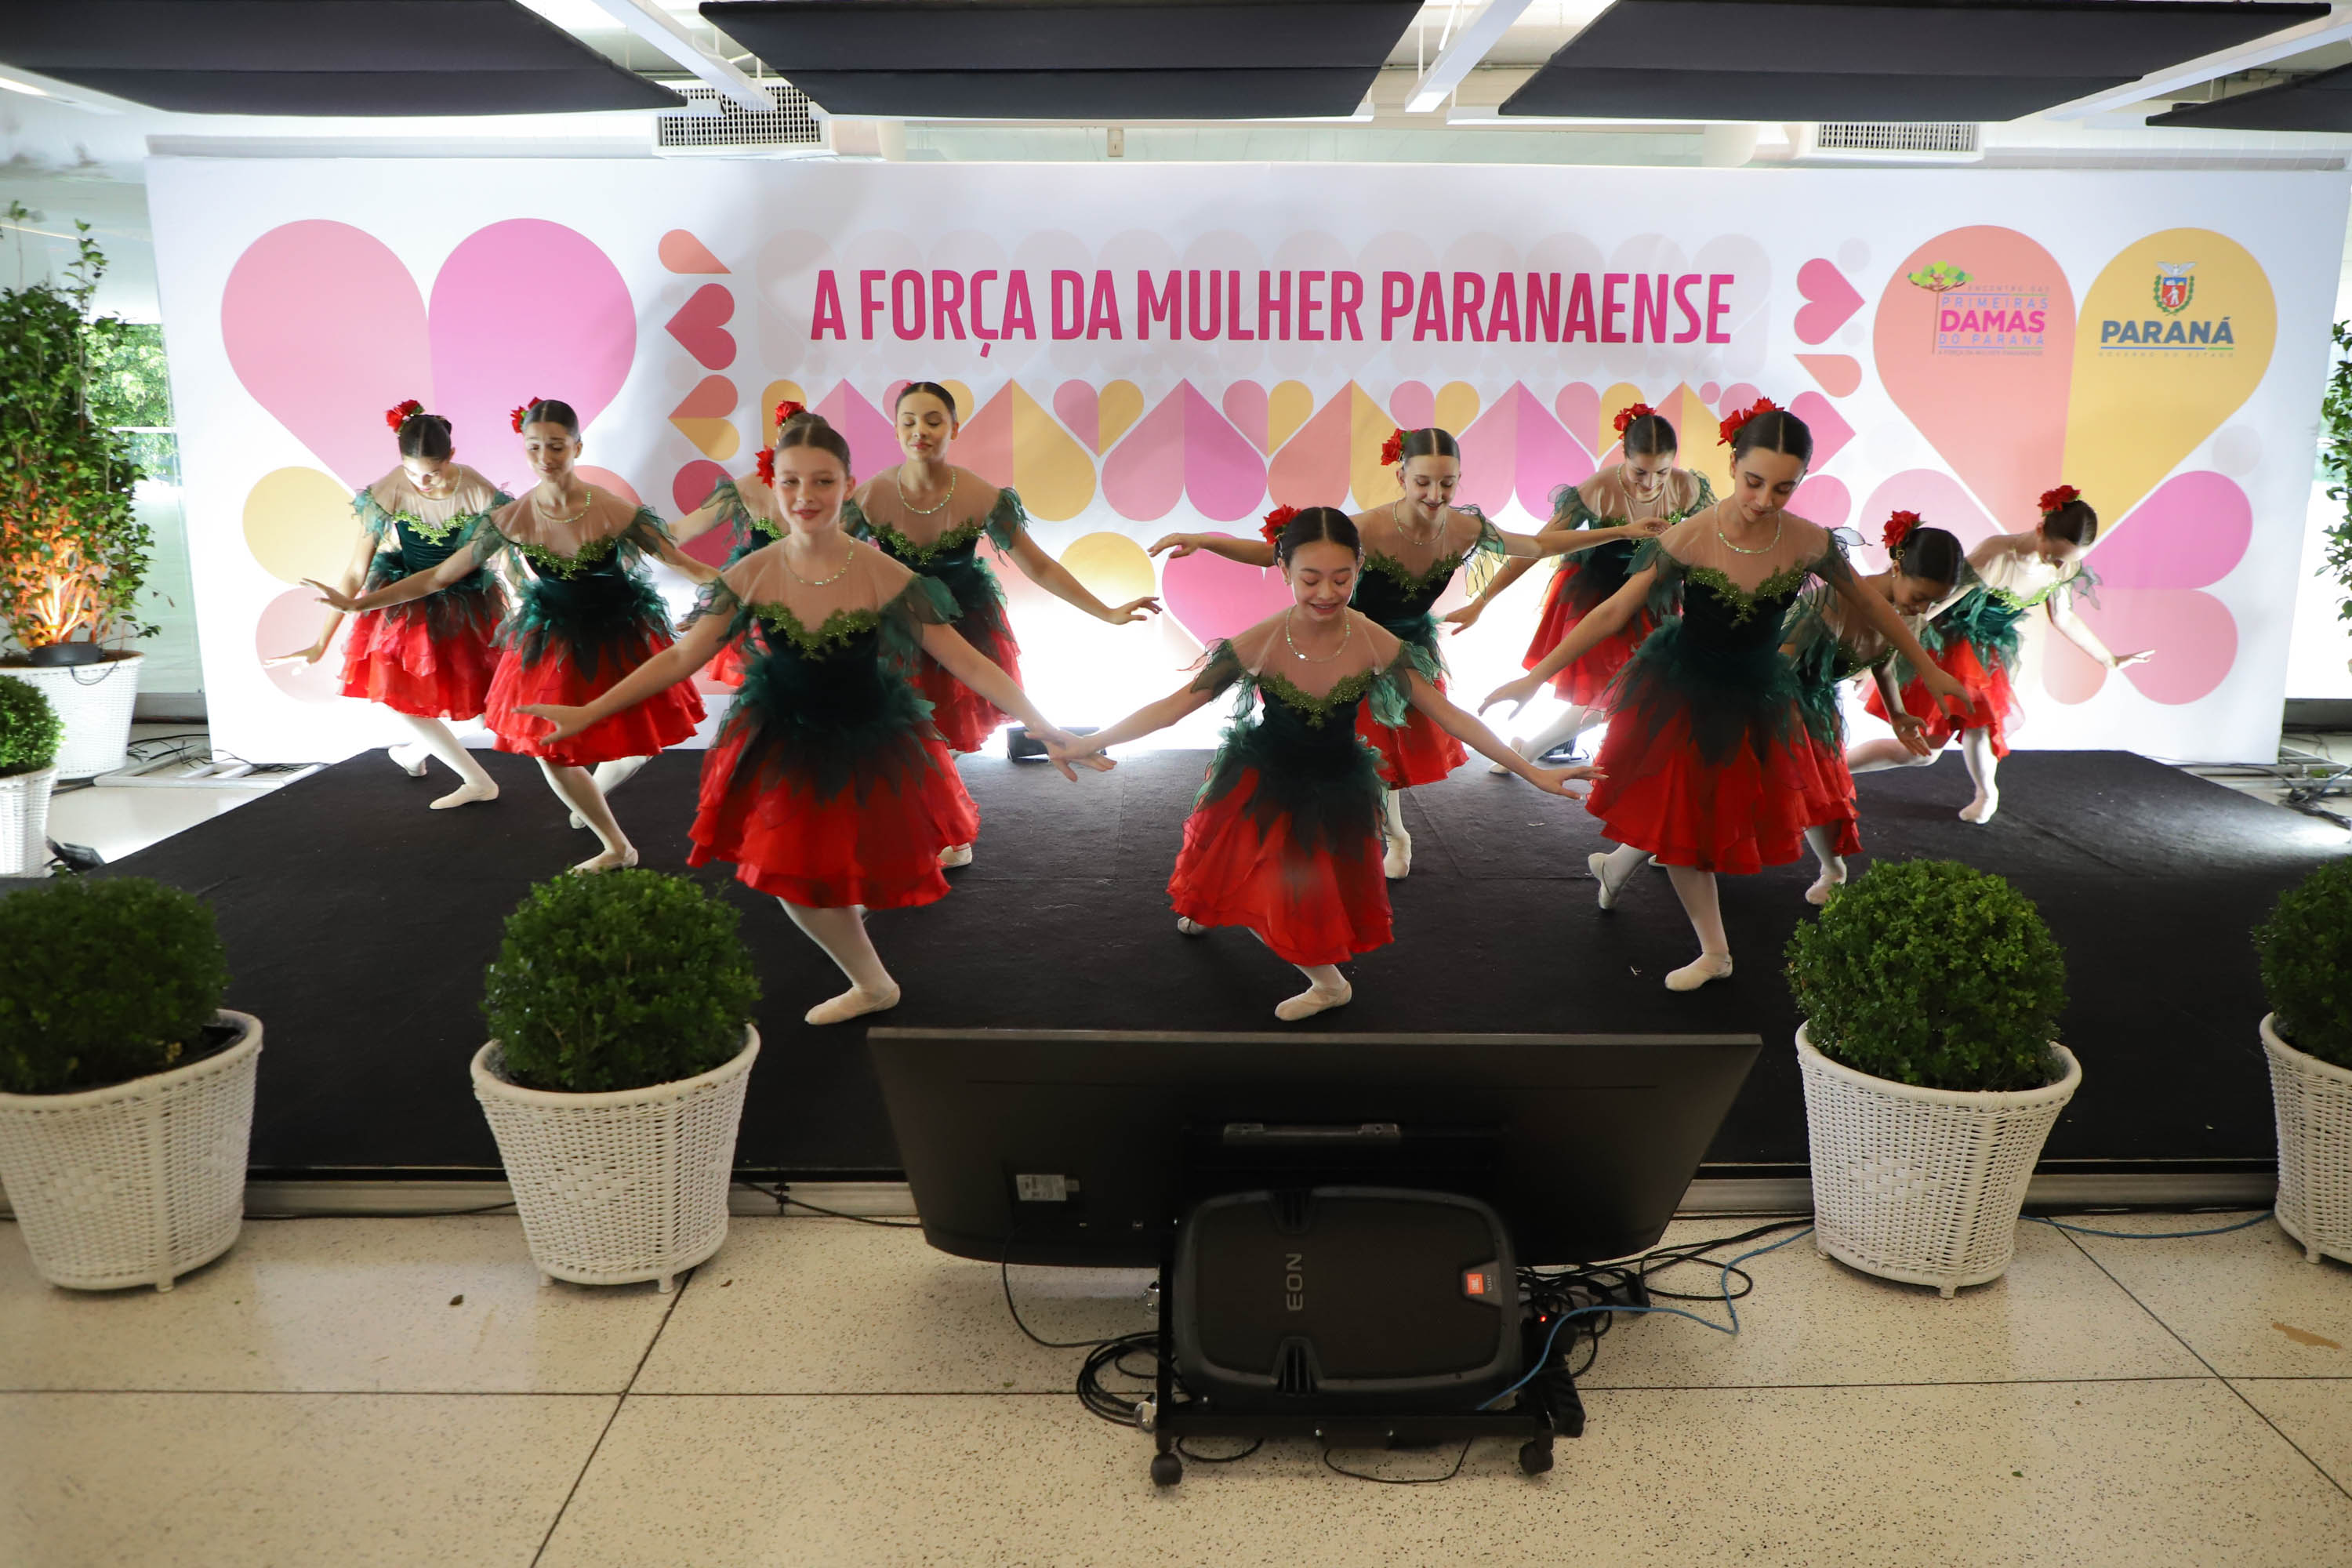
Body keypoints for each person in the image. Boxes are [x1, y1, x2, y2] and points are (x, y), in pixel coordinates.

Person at [520, 412, 1101, 1025]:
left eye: (822, 481)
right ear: (773, 487)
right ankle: (873, 982)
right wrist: (592, 710)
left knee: (843, 860)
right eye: (792, 481)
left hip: (871, 738)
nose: (805, 496)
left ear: (848, 486)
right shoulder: (754, 572)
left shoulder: (882, 572)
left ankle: (870, 978)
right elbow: (682, 656)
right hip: (786, 741)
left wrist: (1042, 724)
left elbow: (967, 661)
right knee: (789, 873)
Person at [1483, 401, 1968, 991]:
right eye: (1754, 481)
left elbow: (1874, 607)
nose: (1764, 500)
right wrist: (1534, 678)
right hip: (1684, 690)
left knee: (1704, 818)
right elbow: (1613, 611)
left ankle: (1618, 871)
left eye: (1784, 488)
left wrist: (1929, 671)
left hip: (1756, 696)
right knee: (1684, 822)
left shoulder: (1809, 542)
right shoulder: (1692, 535)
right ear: (1733, 464)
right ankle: (1715, 951)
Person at [1054, 506, 1599, 1022]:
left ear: (1360, 567)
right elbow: (1174, 708)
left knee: (1291, 891)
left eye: (1342, 578)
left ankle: (1330, 985)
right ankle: (1212, 906)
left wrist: (1531, 771)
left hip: (1334, 786)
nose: (1327, 593)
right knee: (1235, 858)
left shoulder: (1374, 641)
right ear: (1284, 571)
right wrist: (1090, 740)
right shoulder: (1262, 641)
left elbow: (1450, 716)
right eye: (1310, 579)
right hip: (1264, 777)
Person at [309, 397, 711, 872]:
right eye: (534, 447)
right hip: (554, 640)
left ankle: (599, 805)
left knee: (634, 742)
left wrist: (748, 592)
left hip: (621, 634)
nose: (545, 457)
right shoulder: (513, 517)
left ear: (577, 447)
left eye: (556, 446)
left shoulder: (609, 509)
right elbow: (439, 577)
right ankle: (616, 847)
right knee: (549, 750)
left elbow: (686, 565)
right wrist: (358, 603)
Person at [1149, 426, 1563, 879]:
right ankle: (1334, 844)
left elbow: (1539, 546)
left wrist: (1615, 532)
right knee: (1329, 756)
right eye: (1423, 481)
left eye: (1447, 483)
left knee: (1383, 754)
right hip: (1344, 647)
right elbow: (1277, 554)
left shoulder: (1463, 528)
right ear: (1401, 476)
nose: (1435, 494)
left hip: (1400, 650)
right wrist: (1206, 541)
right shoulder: (1360, 531)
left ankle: (1391, 836)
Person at [850, 380, 1160, 869]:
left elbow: (1039, 567)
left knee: (941, 737)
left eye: (933, 420)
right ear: (895, 429)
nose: (920, 431)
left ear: (955, 427)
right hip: (895, 630)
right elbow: (826, 558)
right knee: (899, 736)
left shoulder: (979, 495)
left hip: (965, 627)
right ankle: (929, 827)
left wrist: (1107, 611)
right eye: (908, 421)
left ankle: (943, 831)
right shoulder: (870, 496)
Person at [1854, 485, 2152, 825]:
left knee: (1972, 727)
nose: (2059, 565)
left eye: (2068, 560)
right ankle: (1840, 769)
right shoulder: (1996, 556)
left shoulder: (2064, 567)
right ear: (2040, 529)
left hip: (1988, 651)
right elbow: (1931, 609)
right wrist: (1875, 656)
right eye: (2054, 555)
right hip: (1948, 643)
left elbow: (2064, 616)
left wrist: (2108, 658)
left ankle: (1986, 793)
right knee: (1927, 751)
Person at [1446, 404, 1711, 771]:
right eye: (1640, 472)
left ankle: (1530, 749)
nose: (1650, 484)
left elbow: (1717, 542)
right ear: (1624, 455)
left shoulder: (1688, 489)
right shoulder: (1598, 489)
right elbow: (1537, 548)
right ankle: (1532, 751)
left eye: (1662, 473)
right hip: (1598, 595)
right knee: (1609, 694)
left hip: (1655, 599)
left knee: (1634, 693)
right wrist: (1482, 601)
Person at [272, 400, 508, 809]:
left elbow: (467, 568)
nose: (422, 483)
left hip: (463, 601)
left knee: (483, 708)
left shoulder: (478, 492)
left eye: (432, 474)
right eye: (412, 473)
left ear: (451, 456)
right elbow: (354, 573)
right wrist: (321, 642)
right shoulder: (390, 490)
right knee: (401, 698)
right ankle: (477, 780)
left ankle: (413, 754)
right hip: (404, 605)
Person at [1780, 513, 1965, 903]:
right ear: (1896, 568)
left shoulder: (1906, 615)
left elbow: (1883, 661)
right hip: (1773, 688)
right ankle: (1680, 851)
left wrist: (1897, 715)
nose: (1923, 609)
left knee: (1819, 785)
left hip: (1813, 699)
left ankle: (1833, 869)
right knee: (1739, 776)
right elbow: (1779, 663)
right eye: (1920, 596)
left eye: (1934, 602)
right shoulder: (1834, 603)